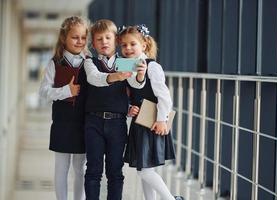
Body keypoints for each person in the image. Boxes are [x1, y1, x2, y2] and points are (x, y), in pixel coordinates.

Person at [119, 24, 184, 200]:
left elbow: (164, 97)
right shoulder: (126, 66)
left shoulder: (153, 67)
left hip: (152, 123)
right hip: (139, 123)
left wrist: (162, 119)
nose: (128, 48)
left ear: (144, 45)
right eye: (124, 45)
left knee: (145, 172)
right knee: (145, 169)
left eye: (132, 44)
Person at [83, 19, 146, 200]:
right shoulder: (91, 62)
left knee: (115, 172)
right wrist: (116, 76)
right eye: (99, 39)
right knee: (93, 170)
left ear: (116, 40)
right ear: (93, 44)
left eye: (108, 38)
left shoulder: (124, 62)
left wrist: (140, 75)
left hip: (117, 124)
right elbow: (95, 78)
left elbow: (136, 84)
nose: (104, 42)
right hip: (93, 123)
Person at [39, 16, 89, 200]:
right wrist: (66, 91)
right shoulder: (55, 63)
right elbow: (44, 92)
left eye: (83, 37)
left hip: (84, 123)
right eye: (75, 37)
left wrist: (139, 63)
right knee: (61, 168)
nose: (80, 41)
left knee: (80, 169)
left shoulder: (90, 62)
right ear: (64, 38)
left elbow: (114, 67)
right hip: (61, 123)